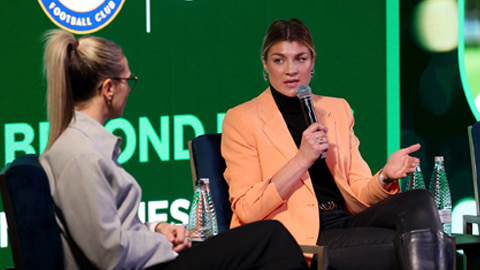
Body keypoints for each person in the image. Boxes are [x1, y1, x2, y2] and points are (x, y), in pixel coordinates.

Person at [39, 29, 309, 270]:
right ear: (108, 89)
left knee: (270, 237)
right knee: (271, 238)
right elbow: (108, 254)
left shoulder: (83, 145)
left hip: (146, 257)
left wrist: (156, 229)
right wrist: (161, 243)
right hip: (145, 264)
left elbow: (108, 231)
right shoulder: (80, 155)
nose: (130, 89)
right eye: (127, 80)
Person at [221, 18, 454, 270]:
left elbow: (359, 192)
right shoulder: (242, 118)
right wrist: (303, 158)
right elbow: (247, 210)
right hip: (298, 236)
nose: (291, 69)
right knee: (419, 244)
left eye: (300, 58)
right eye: (279, 60)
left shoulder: (336, 109)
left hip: (346, 220)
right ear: (265, 65)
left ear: (312, 63)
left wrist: (385, 177)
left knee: (419, 201)